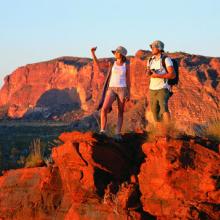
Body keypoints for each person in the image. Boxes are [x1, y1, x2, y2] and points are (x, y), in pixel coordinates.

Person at [91, 46, 130, 141]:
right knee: (104, 109)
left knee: (120, 112)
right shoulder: (112, 63)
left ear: (121, 54)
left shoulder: (126, 65)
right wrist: (93, 53)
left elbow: (128, 80)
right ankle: (103, 130)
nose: (115, 54)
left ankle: (117, 133)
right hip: (111, 89)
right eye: (115, 52)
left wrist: (129, 93)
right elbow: (98, 65)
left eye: (117, 52)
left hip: (122, 89)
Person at [146, 40, 176, 132]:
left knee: (163, 108)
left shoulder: (166, 60)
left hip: (163, 88)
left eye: (153, 47)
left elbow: (172, 74)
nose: (152, 49)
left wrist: (158, 75)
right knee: (155, 112)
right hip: (152, 89)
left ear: (159, 48)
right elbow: (148, 73)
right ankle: (160, 132)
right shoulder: (150, 60)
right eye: (151, 47)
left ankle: (168, 130)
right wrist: (149, 73)